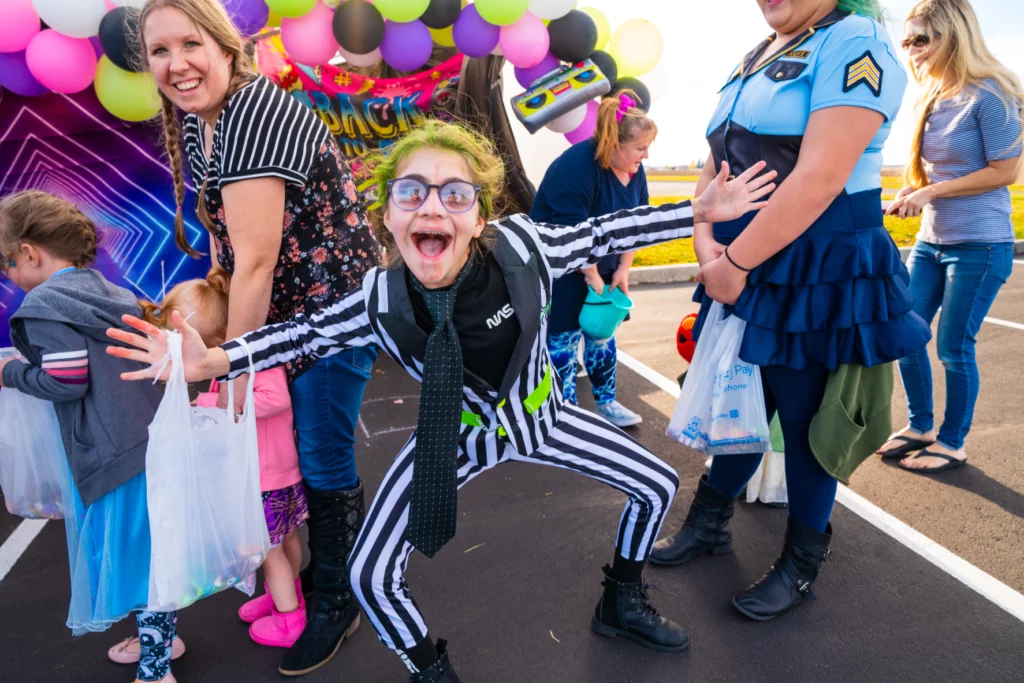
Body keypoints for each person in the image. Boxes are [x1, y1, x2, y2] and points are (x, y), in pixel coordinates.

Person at [108, 120, 776, 682]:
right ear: (389, 215)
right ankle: (432, 670)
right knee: (370, 575)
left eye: (455, 193)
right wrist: (214, 358)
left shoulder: (525, 248)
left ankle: (621, 599)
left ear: (480, 214)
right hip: (453, 434)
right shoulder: (376, 297)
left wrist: (697, 211)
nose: (432, 207)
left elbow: (604, 232)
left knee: (656, 483)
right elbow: (303, 332)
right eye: (412, 191)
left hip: (543, 416)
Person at [649, 0, 932, 622]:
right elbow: (713, 168)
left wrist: (735, 263)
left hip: (814, 268)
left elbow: (821, 177)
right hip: (742, 262)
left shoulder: (855, 40)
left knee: (804, 424)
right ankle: (709, 523)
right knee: (742, 399)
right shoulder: (758, 52)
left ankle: (801, 565)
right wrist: (706, 242)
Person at [138, 0, 380, 674]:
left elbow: (259, 261)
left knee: (323, 456)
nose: (176, 64)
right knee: (297, 453)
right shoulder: (200, 121)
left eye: (190, 44)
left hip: (331, 313)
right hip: (284, 312)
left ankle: (337, 597)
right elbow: (227, 237)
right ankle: (302, 581)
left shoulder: (253, 113)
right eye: (160, 51)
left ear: (223, 44)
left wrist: (230, 369)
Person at [0, 191, 178, 683]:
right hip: (149, 440)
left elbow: (66, 380)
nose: (9, 275)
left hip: (113, 454)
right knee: (154, 549)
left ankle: (156, 667)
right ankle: (162, 636)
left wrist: (11, 373)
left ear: (31, 252)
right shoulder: (109, 291)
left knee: (137, 562)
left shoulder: (44, 305)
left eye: (8, 263)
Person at [876, 0, 1023, 474]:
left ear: (953, 36)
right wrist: (910, 193)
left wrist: (933, 190)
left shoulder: (993, 93)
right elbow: (934, 170)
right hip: (932, 240)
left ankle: (952, 441)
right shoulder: (934, 95)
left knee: (954, 347)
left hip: (979, 245)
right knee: (906, 332)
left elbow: (1005, 172)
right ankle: (921, 426)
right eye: (907, 39)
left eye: (922, 39)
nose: (911, 49)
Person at [139, 269, 310, 649]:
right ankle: (287, 596)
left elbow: (275, 400)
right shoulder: (234, 360)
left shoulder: (247, 360)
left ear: (208, 339)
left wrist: (208, 401)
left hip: (264, 476)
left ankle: (289, 619)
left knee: (269, 549)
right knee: (285, 541)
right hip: (277, 470)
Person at [531, 91, 656, 427]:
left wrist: (624, 270)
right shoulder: (575, 168)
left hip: (602, 265)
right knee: (564, 340)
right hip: (562, 266)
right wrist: (594, 278)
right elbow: (570, 235)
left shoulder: (634, 170)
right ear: (614, 145)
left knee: (602, 335)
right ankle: (564, 416)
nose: (646, 155)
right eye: (640, 148)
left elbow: (637, 223)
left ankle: (607, 404)